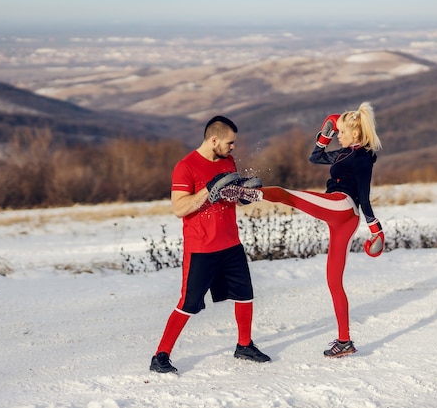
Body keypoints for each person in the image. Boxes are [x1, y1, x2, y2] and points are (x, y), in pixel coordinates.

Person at [259, 101, 384, 358]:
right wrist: (327, 130)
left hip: (343, 206)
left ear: (356, 134)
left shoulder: (363, 157)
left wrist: (375, 229)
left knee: (287, 195)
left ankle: (246, 192)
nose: (338, 135)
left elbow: (364, 195)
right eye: (337, 133)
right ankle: (345, 341)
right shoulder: (342, 154)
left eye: (341, 132)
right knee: (333, 281)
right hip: (341, 216)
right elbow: (315, 157)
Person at [150, 115, 271, 374]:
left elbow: (230, 197)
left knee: (245, 295)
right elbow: (180, 208)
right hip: (201, 248)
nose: (233, 147)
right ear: (213, 139)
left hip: (230, 243)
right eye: (230, 142)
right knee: (188, 304)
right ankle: (160, 356)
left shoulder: (227, 161)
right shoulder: (185, 167)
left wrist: (244, 197)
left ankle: (244, 345)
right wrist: (208, 189)